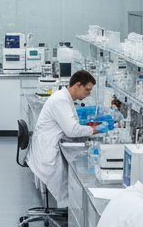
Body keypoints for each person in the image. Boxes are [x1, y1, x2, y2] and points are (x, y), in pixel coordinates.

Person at [27, 70, 100, 208]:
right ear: (78, 85)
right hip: (46, 152)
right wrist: (95, 130)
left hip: (46, 146)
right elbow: (72, 130)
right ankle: (72, 212)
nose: (89, 93)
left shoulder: (65, 98)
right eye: (87, 90)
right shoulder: (60, 100)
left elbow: (71, 123)